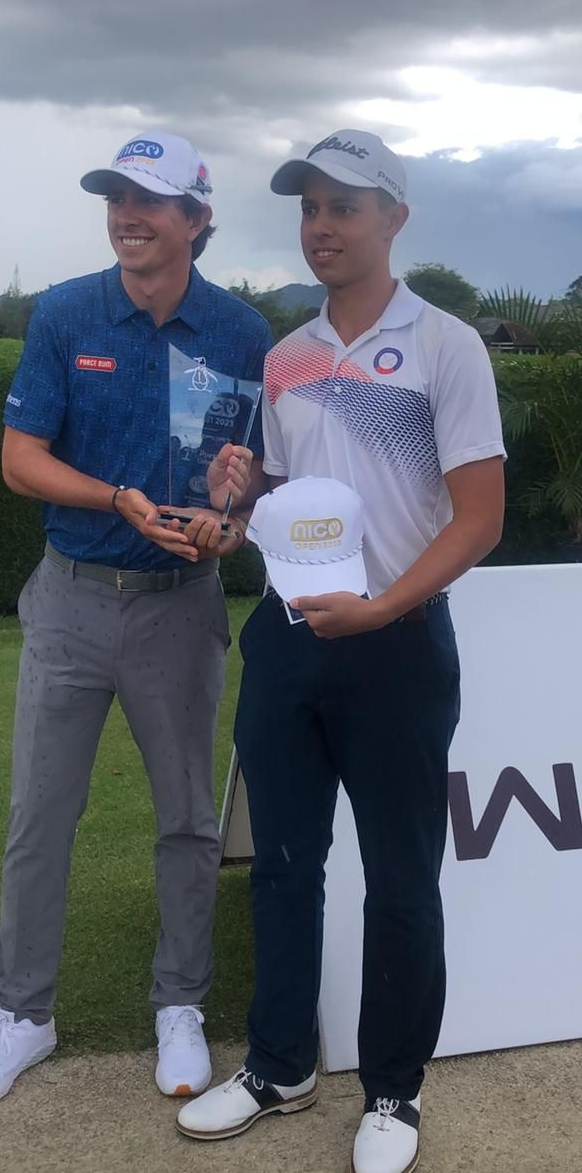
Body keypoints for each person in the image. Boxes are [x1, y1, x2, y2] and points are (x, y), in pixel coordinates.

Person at [177, 130, 505, 1173]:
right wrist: (236, 497)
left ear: (394, 218)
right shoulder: (286, 355)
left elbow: (479, 517)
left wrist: (385, 607)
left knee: (402, 877)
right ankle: (280, 1065)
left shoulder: (448, 344)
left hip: (397, 642)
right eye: (309, 206)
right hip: (287, 641)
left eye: (344, 206)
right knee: (281, 864)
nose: (321, 225)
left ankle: (394, 1089)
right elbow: (277, 505)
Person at [0, 130, 271, 1111]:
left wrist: (231, 518)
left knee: (183, 814)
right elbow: (19, 460)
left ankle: (181, 1002)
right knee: (41, 811)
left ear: (198, 220)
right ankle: (22, 1015)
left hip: (183, 606)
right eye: (117, 196)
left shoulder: (246, 334)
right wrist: (119, 497)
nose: (128, 214)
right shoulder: (65, 312)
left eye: (152, 200)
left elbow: (251, 483)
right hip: (74, 595)